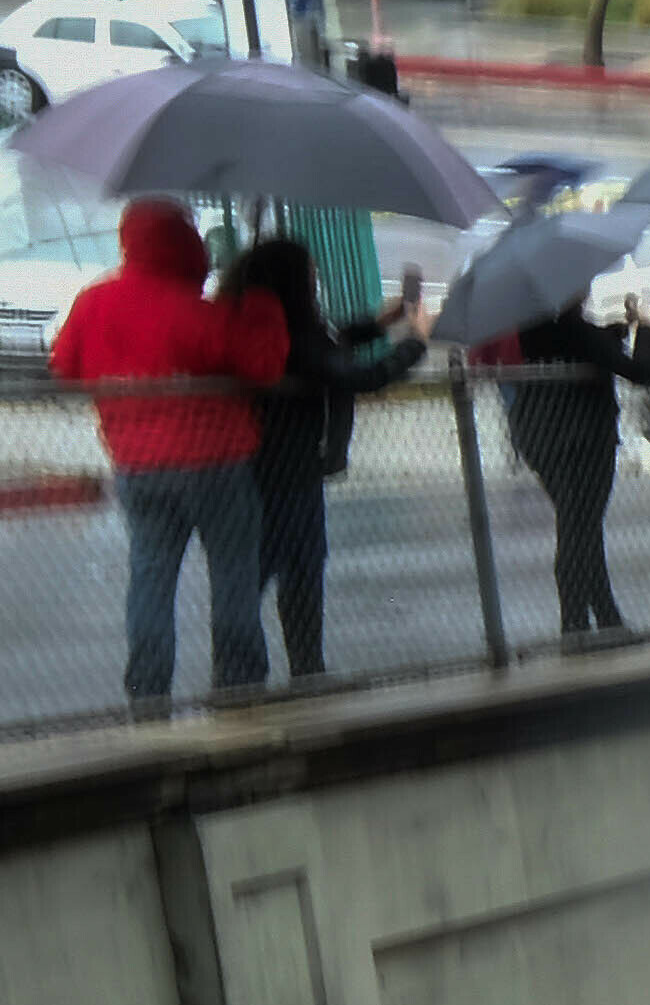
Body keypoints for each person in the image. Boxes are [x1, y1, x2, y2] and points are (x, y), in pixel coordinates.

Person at [62, 198, 278, 701]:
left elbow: (66, 366)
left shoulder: (94, 302)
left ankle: (148, 689)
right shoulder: (197, 313)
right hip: (216, 464)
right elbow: (262, 367)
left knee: (150, 581)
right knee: (233, 578)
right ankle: (239, 687)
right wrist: (261, 309)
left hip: (138, 465)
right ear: (186, 245)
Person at [216, 232, 427, 678]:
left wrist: (380, 323)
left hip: (264, 469)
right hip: (289, 472)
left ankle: (249, 674)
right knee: (296, 574)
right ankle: (289, 671)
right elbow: (357, 374)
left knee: (265, 575)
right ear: (292, 281)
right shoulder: (292, 336)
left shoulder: (263, 327)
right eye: (309, 273)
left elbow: (330, 344)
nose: (315, 278)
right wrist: (416, 342)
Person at [483, 294, 646, 639]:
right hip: (584, 442)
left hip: (542, 438)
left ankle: (599, 620)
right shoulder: (578, 333)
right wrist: (647, 327)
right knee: (581, 530)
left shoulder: (533, 331)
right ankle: (578, 623)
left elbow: (586, 343)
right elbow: (640, 372)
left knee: (579, 527)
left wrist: (614, 332)